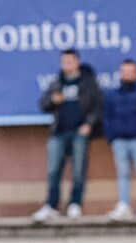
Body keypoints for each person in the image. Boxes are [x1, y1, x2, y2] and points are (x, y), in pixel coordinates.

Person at [32, 49, 103, 222]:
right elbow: (43, 104)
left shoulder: (87, 82)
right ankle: (51, 205)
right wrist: (52, 101)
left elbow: (98, 106)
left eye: (70, 61)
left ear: (77, 62)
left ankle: (75, 204)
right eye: (64, 62)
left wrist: (89, 124)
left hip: (79, 131)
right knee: (53, 170)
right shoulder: (57, 82)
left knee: (78, 170)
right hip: (59, 132)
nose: (66, 65)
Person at [104, 59, 136, 221]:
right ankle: (124, 205)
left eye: (130, 71)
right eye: (124, 71)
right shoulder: (112, 94)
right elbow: (107, 116)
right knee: (123, 174)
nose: (126, 75)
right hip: (119, 140)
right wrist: (112, 135)